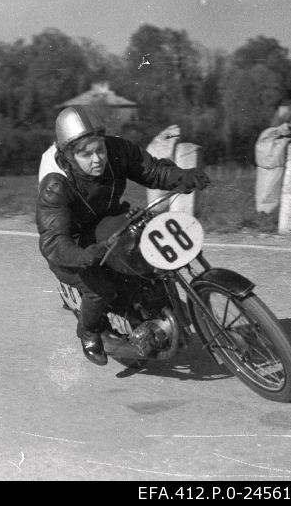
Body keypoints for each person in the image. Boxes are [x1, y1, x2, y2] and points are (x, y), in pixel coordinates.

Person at [36, 105, 210, 366]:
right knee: (101, 288)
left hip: (106, 218)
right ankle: (89, 332)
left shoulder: (117, 150)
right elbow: (53, 241)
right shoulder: (55, 184)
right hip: (72, 243)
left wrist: (180, 176)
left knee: (147, 250)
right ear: (69, 157)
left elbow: (151, 170)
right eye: (86, 155)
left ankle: (159, 309)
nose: (98, 159)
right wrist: (84, 256)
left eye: (100, 149)